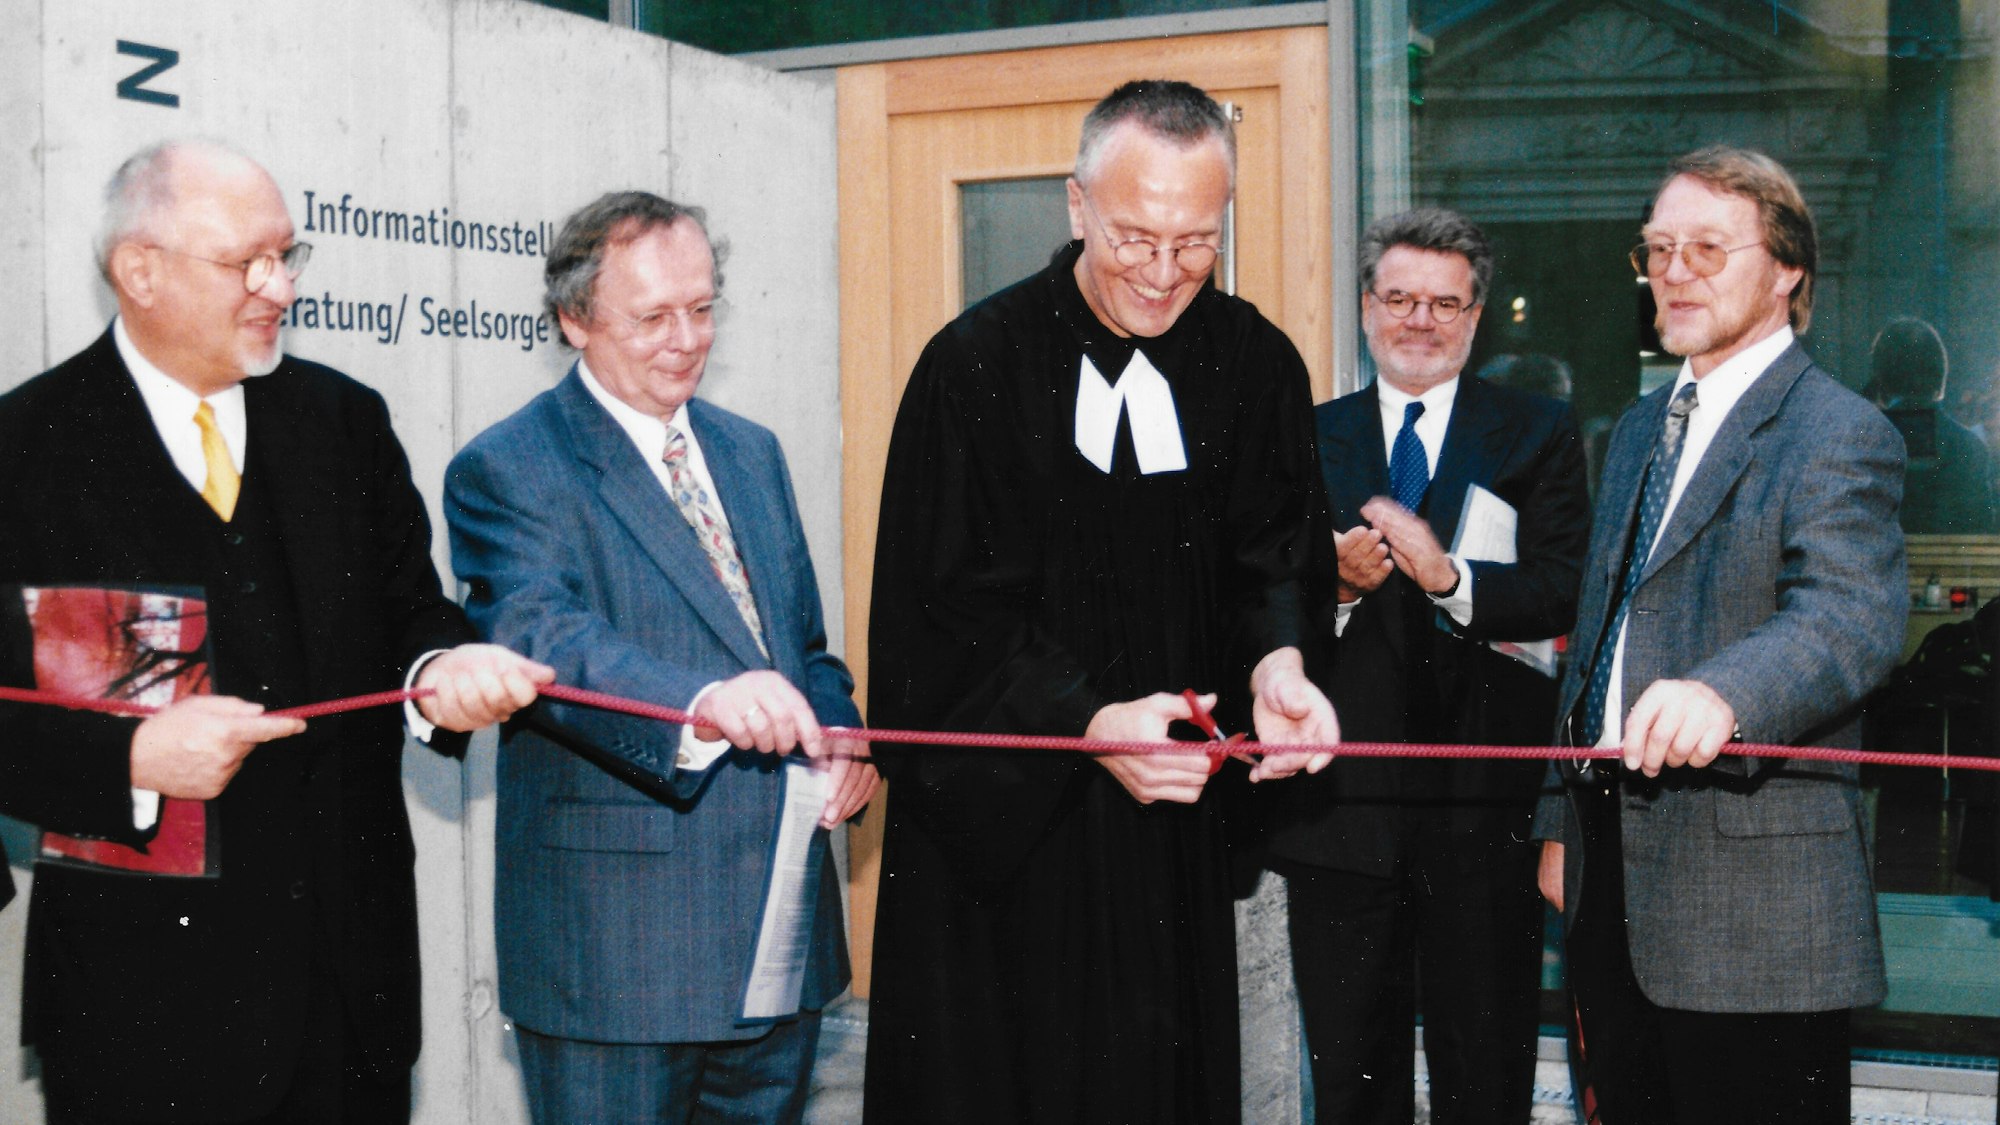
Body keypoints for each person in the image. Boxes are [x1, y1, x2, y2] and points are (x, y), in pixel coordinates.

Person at [0, 139, 549, 1124]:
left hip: (348, 989)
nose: (278, 286)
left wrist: (445, 663)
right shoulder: (23, 449)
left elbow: (409, 611)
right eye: (245, 261)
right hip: (138, 1009)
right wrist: (127, 755)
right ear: (139, 269)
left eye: (288, 256)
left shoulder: (343, 421)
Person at [863, 79, 1340, 1125]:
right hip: (1009, 835)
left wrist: (1281, 667)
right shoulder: (974, 365)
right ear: (1075, 206)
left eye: (1194, 243)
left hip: (1165, 831)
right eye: (1132, 238)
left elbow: (1276, 563)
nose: (1162, 275)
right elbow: (940, 608)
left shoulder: (1253, 363)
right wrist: (1082, 717)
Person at [445, 191, 876, 1125]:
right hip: (619, 964)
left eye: (703, 306)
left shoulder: (751, 453)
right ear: (572, 320)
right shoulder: (510, 466)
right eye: (651, 317)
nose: (687, 338)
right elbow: (546, 644)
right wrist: (711, 698)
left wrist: (841, 733)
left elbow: (799, 649)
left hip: (780, 941)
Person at [1534, 146, 1906, 1125]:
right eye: (1656, 249)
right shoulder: (1636, 428)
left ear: (1786, 269)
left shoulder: (1837, 430)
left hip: (1755, 910)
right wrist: (1552, 819)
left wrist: (1724, 692)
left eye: (1706, 246)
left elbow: (1847, 618)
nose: (1673, 270)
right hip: (1607, 876)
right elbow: (1597, 631)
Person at [1267, 208, 1590, 1124]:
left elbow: (1566, 584)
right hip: (1342, 807)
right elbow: (1252, 593)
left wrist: (1453, 580)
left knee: (1483, 1069)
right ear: (1367, 309)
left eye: (1445, 303)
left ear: (1476, 316)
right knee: (1349, 1070)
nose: (1421, 320)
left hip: (1482, 808)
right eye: (1400, 298)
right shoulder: (1305, 434)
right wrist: (1329, 586)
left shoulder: (1537, 430)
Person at [1866, 315, 1999, 534]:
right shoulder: (1970, 449)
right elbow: (1980, 537)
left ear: (1881, 379)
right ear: (1940, 376)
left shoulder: (1853, 445)